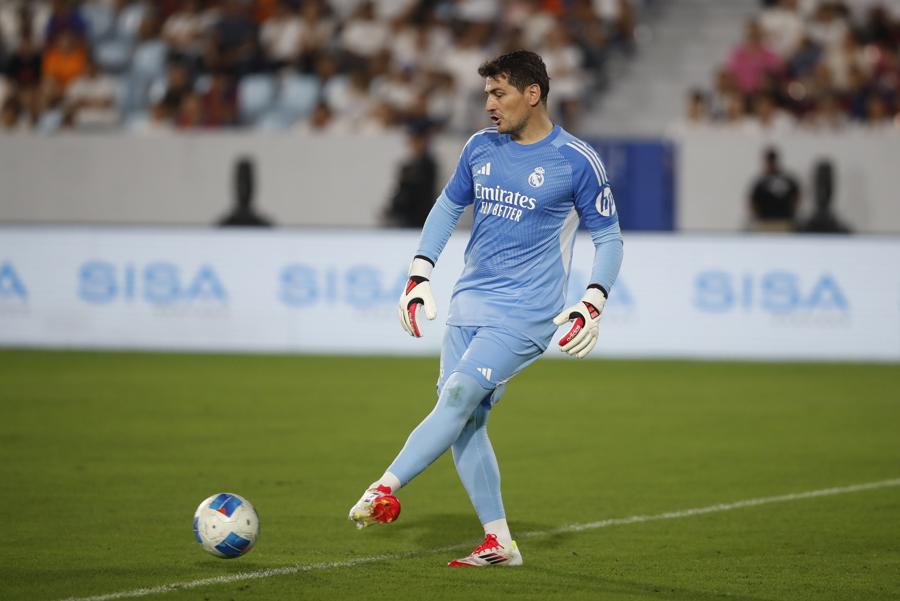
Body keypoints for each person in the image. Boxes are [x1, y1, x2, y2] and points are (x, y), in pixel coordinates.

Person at [347, 50, 623, 567]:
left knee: (455, 395)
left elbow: (608, 238)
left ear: (532, 93)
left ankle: (381, 487)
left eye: (498, 94)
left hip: (527, 312)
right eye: (486, 95)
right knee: (464, 420)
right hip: (468, 302)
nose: (489, 105)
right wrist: (420, 272)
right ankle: (500, 542)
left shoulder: (575, 160)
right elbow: (448, 206)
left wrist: (593, 299)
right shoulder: (480, 148)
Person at [382, 126, 439, 228]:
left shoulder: (429, 165)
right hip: (406, 215)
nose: (415, 145)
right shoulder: (406, 166)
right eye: (413, 141)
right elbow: (401, 189)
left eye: (418, 141)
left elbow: (422, 191)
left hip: (420, 215)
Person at [748, 147, 800, 232]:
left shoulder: (786, 180)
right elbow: (753, 201)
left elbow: (796, 196)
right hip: (766, 221)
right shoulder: (761, 182)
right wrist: (758, 216)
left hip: (784, 221)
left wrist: (792, 213)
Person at [217, 157, 273, 227]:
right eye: (241, 183)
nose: (244, 189)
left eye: (247, 183)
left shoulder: (265, 228)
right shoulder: (222, 228)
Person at [798, 160, 850, 234]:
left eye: (827, 183)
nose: (823, 192)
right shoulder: (804, 228)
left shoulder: (840, 228)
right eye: (820, 183)